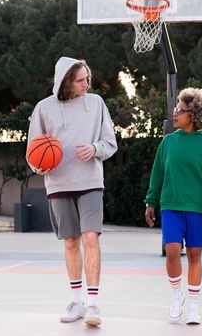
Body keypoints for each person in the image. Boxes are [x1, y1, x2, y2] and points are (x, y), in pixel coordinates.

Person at [27, 57, 118, 327]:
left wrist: (95, 149)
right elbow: (33, 150)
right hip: (58, 183)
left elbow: (110, 142)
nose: (86, 84)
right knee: (70, 242)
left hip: (90, 181)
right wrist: (38, 166)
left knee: (91, 239)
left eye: (87, 78)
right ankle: (76, 301)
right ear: (66, 81)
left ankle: (93, 304)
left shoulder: (96, 103)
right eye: (81, 80)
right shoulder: (44, 108)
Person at [144, 87, 202, 324]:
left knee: (194, 255)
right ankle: (176, 295)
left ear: (195, 114)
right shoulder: (168, 143)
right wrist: (151, 201)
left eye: (180, 109)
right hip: (170, 205)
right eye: (175, 108)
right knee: (171, 251)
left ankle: (193, 306)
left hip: (198, 208)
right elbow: (157, 174)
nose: (174, 113)